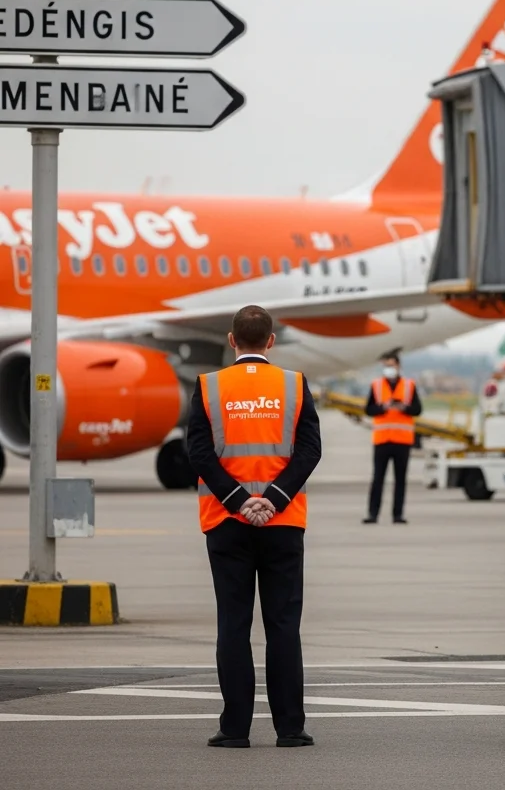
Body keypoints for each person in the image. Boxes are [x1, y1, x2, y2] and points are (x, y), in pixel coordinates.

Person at [187, 304, 322, 749]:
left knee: (233, 623)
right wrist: (273, 500)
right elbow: (309, 452)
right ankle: (290, 728)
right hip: (283, 523)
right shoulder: (294, 385)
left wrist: (239, 502)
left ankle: (235, 729)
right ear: (271, 341)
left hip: (225, 523)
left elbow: (201, 454)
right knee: (283, 624)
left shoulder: (208, 386)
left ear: (231, 341)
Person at [363, 350, 422, 524]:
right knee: (378, 479)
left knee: (400, 481)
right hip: (382, 440)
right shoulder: (376, 385)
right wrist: (383, 407)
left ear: (398, 366)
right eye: (386, 366)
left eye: (391, 366)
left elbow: (418, 409)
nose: (389, 369)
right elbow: (368, 409)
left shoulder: (409, 385)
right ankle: (373, 514)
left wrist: (405, 407)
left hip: (402, 441)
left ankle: (398, 515)